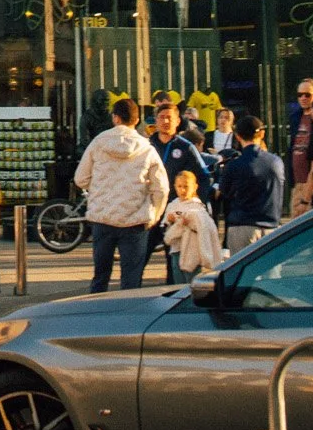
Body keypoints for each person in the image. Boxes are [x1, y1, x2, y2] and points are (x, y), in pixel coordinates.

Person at [71, 97, 168, 294]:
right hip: (135, 220)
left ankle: (98, 316)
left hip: (103, 217)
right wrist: (155, 214)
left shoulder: (98, 143)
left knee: (100, 276)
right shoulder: (147, 148)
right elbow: (162, 188)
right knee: (131, 279)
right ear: (137, 119)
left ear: (115, 118)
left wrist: (98, 188)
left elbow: (80, 178)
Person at [219, 114, 286, 254]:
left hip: (242, 227)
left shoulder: (233, 165)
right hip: (271, 228)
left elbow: (224, 192)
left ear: (237, 136)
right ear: (262, 134)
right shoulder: (276, 162)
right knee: (271, 273)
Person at [160, 171, 220, 284]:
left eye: (186, 186)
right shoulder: (172, 205)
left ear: (195, 187)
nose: (182, 190)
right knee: (178, 284)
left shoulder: (198, 207)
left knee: (192, 283)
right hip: (176, 251)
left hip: (193, 252)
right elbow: (164, 229)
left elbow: (206, 229)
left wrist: (190, 224)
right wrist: (170, 222)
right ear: (174, 187)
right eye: (179, 186)